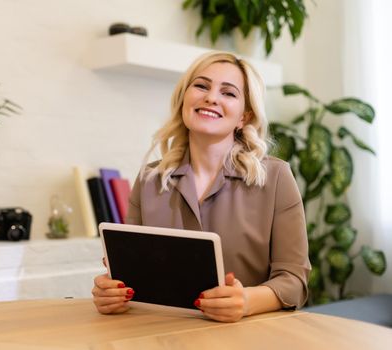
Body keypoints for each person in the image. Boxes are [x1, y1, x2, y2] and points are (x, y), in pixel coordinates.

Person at [91, 51, 310, 323]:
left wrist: (247, 302)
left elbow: (294, 282)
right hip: (161, 333)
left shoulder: (276, 177)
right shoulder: (149, 179)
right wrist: (112, 292)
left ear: (244, 116)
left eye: (228, 93)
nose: (211, 97)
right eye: (201, 86)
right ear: (185, 99)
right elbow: (131, 276)